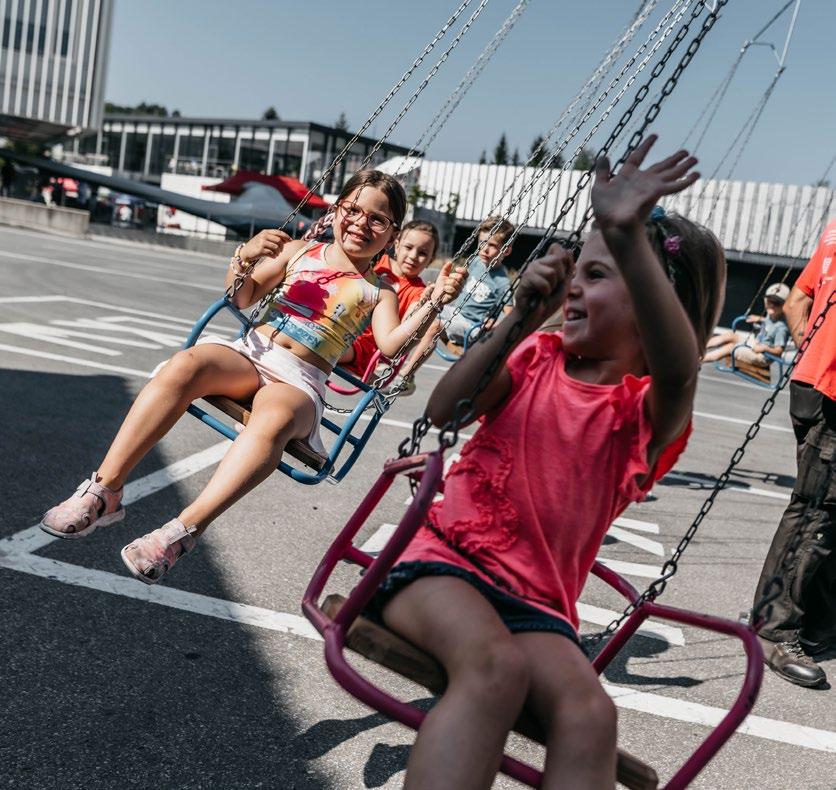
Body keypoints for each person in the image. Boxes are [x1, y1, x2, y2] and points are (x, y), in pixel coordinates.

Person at [367, 136, 726, 789]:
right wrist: (521, 317)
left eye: (600, 275)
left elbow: (679, 370)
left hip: (537, 607)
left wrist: (626, 234)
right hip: (442, 566)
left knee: (591, 714)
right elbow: (445, 410)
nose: (576, 287)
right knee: (493, 669)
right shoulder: (537, 360)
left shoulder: (645, 415)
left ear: (657, 310)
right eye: (578, 271)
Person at [39, 170, 465, 584]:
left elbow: (390, 345)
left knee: (274, 418)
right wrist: (246, 255)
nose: (360, 223)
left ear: (392, 234)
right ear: (336, 211)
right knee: (185, 365)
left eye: (377, 219)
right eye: (353, 210)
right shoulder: (298, 251)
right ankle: (104, 491)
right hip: (253, 353)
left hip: (300, 381)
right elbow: (241, 296)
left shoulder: (380, 290)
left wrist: (434, 303)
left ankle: (181, 532)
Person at [751, 218, 836, 689]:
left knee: (829, 511)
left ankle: (820, 623)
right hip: (829, 390)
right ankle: (774, 628)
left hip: (813, 382)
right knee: (816, 510)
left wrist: (812, 351)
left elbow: (797, 300)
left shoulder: (833, 228)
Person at [339, 219, 441, 396]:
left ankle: (404, 377)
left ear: (430, 260)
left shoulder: (417, 291)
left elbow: (408, 327)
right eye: (409, 247)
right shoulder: (377, 261)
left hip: (362, 346)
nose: (413, 256)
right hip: (340, 324)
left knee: (322, 345)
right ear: (397, 244)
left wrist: (425, 304)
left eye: (423, 253)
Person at [440, 215, 515, 345]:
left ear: (506, 251)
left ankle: (413, 360)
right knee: (425, 309)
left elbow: (511, 315)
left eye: (492, 245)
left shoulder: (502, 282)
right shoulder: (476, 261)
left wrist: (495, 324)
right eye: (482, 242)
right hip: (455, 313)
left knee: (434, 326)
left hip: (471, 326)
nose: (485, 249)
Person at [702, 282, 790, 365]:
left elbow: (779, 351)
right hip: (756, 344)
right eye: (769, 301)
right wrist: (759, 319)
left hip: (762, 356)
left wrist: (765, 348)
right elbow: (769, 323)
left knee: (731, 347)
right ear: (765, 301)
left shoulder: (781, 328)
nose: (772, 305)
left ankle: (699, 359)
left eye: (777, 303)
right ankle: (700, 347)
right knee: (730, 335)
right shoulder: (772, 315)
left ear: (784, 306)